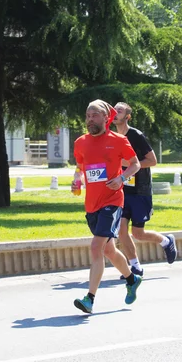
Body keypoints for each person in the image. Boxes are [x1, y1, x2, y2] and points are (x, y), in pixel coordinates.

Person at [71, 99, 142, 314]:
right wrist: (76, 179)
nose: (89, 119)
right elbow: (81, 166)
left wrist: (121, 179)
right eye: (87, 115)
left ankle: (89, 298)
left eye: (94, 115)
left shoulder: (118, 140)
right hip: (92, 203)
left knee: (96, 247)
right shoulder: (80, 142)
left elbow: (135, 164)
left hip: (112, 201)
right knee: (109, 249)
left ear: (105, 117)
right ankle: (132, 279)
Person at [113, 102, 177, 279]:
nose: (115, 113)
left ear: (127, 117)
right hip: (122, 190)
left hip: (140, 190)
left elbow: (152, 160)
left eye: (119, 111)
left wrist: (127, 164)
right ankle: (135, 268)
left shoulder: (136, 135)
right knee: (122, 231)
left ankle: (166, 241)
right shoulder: (111, 137)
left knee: (138, 233)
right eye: (114, 110)